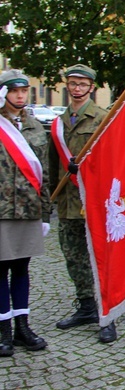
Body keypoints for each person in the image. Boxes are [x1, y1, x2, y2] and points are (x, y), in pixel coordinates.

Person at [49, 64, 116, 343]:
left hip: (94, 202)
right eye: (72, 83)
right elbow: (53, 165)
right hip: (68, 203)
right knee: (74, 258)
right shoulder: (59, 121)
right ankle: (86, 306)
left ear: (92, 87)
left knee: (100, 259)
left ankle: (107, 315)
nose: (76, 89)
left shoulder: (102, 118)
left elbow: (111, 163)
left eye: (82, 84)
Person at [0, 70, 50, 356]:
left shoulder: (33, 125)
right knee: (0, 270)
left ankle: (22, 327)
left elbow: (44, 174)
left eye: (24, 91)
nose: (20, 96)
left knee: (21, 269)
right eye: (14, 91)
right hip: (3, 210)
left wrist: (45, 213)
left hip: (29, 209)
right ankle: (3, 331)